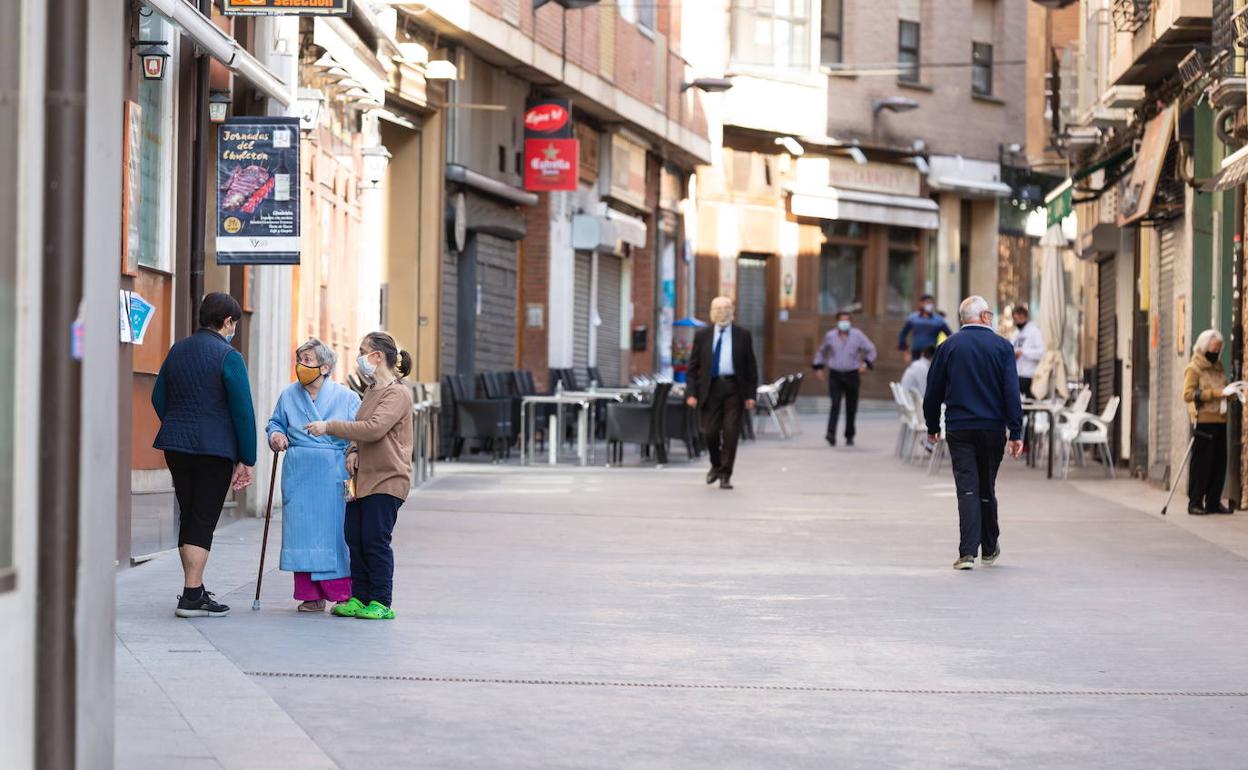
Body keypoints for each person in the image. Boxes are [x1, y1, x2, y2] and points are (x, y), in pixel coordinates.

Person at [152, 293, 256, 617]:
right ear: (227, 322)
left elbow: (158, 397)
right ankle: (192, 595)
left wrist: (177, 423)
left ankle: (193, 588)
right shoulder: (229, 356)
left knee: (189, 513)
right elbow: (242, 411)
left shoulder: (177, 350)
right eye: (234, 323)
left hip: (176, 446)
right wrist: (247, 457)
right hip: (214, 449)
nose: (233, 329)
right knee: (203, 518)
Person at [306, 332, 414, 620]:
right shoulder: (371, 390)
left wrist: (329, 427)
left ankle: (381, 601)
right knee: (354, 536)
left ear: (378, 356)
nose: (359, 357)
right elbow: (360, 427)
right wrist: (352, 450)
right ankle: (360, 596)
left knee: (375, 538)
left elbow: (374, 428)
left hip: (388, 478)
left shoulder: (397, 393)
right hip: (361, 478)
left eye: (363, 351)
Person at [923, 296, 1024, 570]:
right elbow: (1011, 393)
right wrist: (1016, 431)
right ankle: (990, 548)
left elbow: (932, 392)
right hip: (992, 428)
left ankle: (967, 552)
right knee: (986, 486)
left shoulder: (948, 347)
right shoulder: (1003, 347)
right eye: (989, 313)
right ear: (982, 317)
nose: (990, 318)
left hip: (960, 427)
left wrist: (932, 426)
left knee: (967, 487)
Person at [266, 339, 362, 612]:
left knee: (334, 532)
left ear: (325, 367)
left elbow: (359, 431)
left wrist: (354, 451)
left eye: (308, 360)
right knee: (301, 531)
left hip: (333, 469)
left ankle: (342, 593)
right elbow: (275, 422)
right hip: (300, 470)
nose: (302, 365)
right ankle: (311, 595)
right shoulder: (288, 395)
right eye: (300, 359)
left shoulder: (347, 397)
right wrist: (276, 435)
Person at [686, 296, 759, 490]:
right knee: (709, 432)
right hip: (710, 389)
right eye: (718, 308)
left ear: (732, 311)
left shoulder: (743, 335)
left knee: (731, 432)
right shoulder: (702, 335)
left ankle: (726, 474)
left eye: (726, 308)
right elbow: (693, 368)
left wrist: (751, 395)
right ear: (711, 312)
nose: (722, 312)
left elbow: (751, 367)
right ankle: (716, 464)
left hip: (734, 388)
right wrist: (691, 393)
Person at [1183, 330, 1234, 515]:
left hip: (1220, 419)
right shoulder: (1194, 368)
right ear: (1205, 347)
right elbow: (1188, 395)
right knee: (1202, 463)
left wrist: (1230, 394)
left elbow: (1223, 388)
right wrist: (1215, 394)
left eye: (1219, 349)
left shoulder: (1218, 367)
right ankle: (1195, 502)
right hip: (1203, 420)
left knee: (1219, 464)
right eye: (1214, 348)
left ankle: (1214, 501)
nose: (1216, 351)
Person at [811, 311, 877, 446]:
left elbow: (871, 349)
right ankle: (831, 433)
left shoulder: (857, 335)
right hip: (835, 374)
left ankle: (849, 434)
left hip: (852, 374)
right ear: (837, 321)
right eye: (842, 320)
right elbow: (822, 351)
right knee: (835, 404)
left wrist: (865, 364)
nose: (844, 323)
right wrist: (818, 367)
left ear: (850, 322)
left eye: (847, 320)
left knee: (851, 405)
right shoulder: (830, 336)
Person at [898, 294, 953, 361]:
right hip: (916, 353)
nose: (930, 305)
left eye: (931, 303)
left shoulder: (939, 320)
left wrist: (944, 351)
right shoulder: (913, 318)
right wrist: (906, 352)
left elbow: (950, 336)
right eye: (927, 303)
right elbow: (902, 334)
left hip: (931, 354)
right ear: (921, 304)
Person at [1011, 305, 1045, 399]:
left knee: (1028, 403)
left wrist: (1023, 352)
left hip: (1030, 375)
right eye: (1015, 319)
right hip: (1017, 374)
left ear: (1024, 316)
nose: (1017, 321)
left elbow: (1042, 353)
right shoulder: (1016, 334)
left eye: (1019, 318)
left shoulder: (1035, 332)